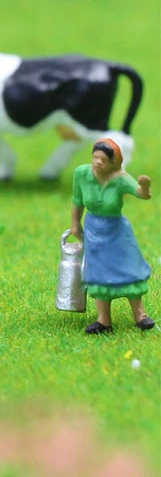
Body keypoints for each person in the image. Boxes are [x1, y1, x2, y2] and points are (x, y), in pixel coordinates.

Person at [70, 139, 154, 334]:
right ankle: (104, 320)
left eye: (104, 160)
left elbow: (140, 193)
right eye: (95, 157)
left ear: (114, 163)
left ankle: (140, 315)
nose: (98, 162)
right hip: (94, 230)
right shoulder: (82, 174)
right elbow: (77, 200)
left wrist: (145, 187)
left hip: (117, 231)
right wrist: (75, 224)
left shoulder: (120, 179)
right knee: (99, 272)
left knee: (128, 268)